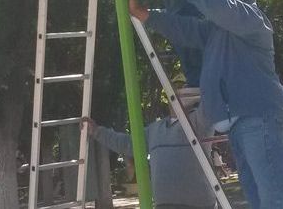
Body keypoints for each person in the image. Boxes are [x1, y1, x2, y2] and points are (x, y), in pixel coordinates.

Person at [129, 0, 283, 209]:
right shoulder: (216, 32)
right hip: (244, 121)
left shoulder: (252, 18)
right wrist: (146, 16)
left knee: (273, 198)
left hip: (260, 117)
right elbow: (185, 28)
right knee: (259, 197)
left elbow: (222, 8)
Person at [83, 88, 217, 209]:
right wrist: (97, 132)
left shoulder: (199, 122)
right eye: (176, 88)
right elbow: (128, 143)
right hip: (165, 205)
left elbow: (212, 100)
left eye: (184, 88)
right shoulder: (155, 129)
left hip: (199, 205)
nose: (179, 92)